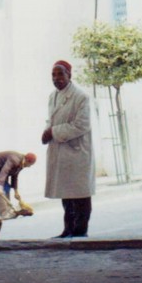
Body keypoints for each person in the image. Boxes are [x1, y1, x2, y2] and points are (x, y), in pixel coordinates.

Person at [41, 60, 95, 238]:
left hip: (76, 151)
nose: (56, 78)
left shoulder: (81, 96)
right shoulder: (53, 96)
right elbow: (52, 120)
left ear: (69, 75)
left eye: (60, 74)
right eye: (53, 75)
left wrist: (53, 132)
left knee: (79, 194)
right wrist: (47, 131)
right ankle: (68, 229)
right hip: (60, 151)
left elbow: (82, 125)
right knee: (66, 193)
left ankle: (80, 231)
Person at [0, 151, 37, 218]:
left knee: (7, 187)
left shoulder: (22, 163)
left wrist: (16, 191)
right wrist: (0, 187)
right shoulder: (14, 160)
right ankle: (4, 213)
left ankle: (8, 209)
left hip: (1, 169)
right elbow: (5, 171)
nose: (29, 167)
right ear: (27, 160)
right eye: (30, 165)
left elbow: (14, 176)